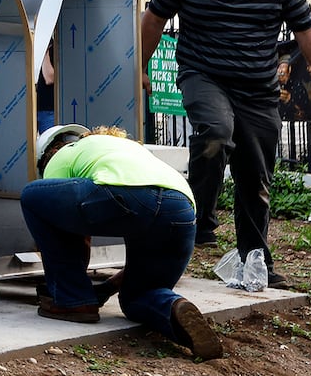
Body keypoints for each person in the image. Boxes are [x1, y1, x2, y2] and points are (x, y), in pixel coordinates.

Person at [139, 0, 311, 287]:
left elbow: (307, 31)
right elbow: (153, 18)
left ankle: (256, 257)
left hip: (257, 89)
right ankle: (198, 221)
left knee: (256, 175)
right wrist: (139, 66)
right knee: (216, 132)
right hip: (203, 75)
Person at [20, 123, 223, 360]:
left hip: (128, 195)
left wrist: (77, 288)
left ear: (48, 152)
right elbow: (150, 213)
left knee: (32, 196)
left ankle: (72, 301)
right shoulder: (126, 149)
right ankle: (174, 307)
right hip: (181, 209)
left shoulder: (61, 156)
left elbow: (67, 230)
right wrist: (107, 288)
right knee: (137, 298)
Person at [35, 42, 57, 134]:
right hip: (37, 108)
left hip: (48, 110)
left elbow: (49, 78)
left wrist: (45, 53)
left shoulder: (53, 50)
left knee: (48, 144)